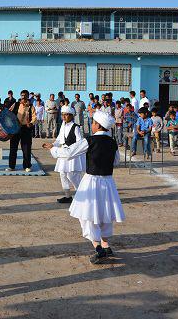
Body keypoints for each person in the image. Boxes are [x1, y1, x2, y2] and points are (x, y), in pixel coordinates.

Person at [46, 110, 124, 264]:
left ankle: (98, 248)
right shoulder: (113, 142)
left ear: (97, 125)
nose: (92, 126)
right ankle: (105, 244)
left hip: (92, 181)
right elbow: (116, 162)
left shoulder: (90, 140)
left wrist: (52, 149)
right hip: (108, 181)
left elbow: (69, 153)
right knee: (105, 213)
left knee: (87, 215)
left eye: (94, 123)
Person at [44, 105, 85, 203]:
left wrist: (72, 150)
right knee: (63, 174)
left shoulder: (75, 127)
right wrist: (52, 145)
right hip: (63, 153)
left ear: (71, 116)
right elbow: (59, 139)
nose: (64, 117)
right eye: (63, 115)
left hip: (72, 154)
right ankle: (67, 196)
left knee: (72, 175)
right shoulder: (63, 125)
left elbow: (80, 142)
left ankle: (82, 195)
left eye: (66, 115)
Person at [7, 90, 37, 172]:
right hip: (15, 129)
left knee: (26, 149)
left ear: (27, 96)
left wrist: (30, 123)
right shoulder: (16, 104)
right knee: (13, 148)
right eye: (21, 95)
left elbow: (34, 118)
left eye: (24, 95)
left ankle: (27, 166)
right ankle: (11, 166)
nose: (23, 97)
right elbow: (9, 112)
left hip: (26, 129)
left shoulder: (31, 107)